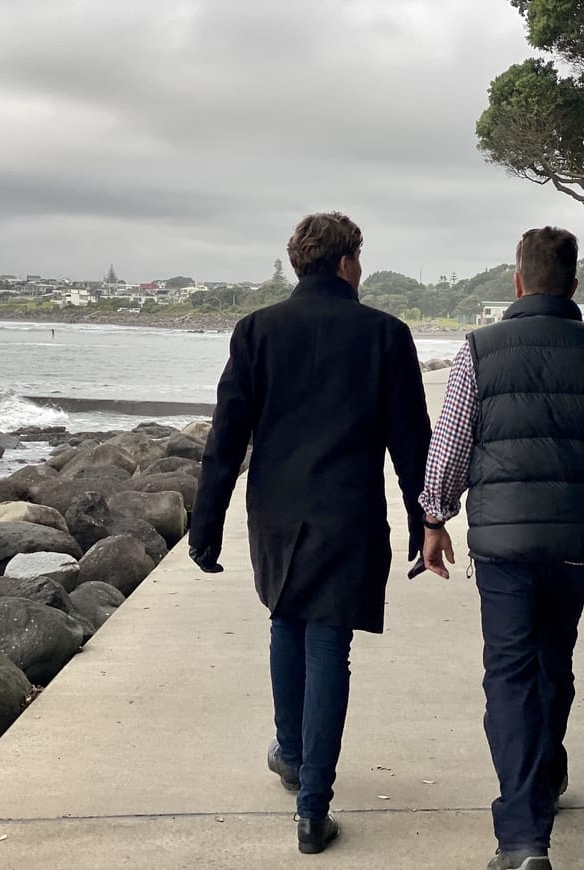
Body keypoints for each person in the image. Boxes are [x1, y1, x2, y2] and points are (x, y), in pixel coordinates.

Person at [418, 227, 584, 870]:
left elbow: (451, 442)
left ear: (517, 282)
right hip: (578, 542)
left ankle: (523, 838)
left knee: (510, 674)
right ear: (574, 286)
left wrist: (435, 518)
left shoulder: (480, 348)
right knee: (554, 660)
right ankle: (545, 777)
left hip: (502, 543)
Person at [189, 212, 431, 855]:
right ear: (349, 262)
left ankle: (293, 753)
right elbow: (412, 444)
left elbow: (226, 438)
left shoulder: (257, 331)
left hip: (275, 512)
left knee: (284, 621)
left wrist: (204, 522)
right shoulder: (385, 334)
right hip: (347, 511)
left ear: (300, 262)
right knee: (328, 644)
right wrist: (423, 518)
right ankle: (311, 807)